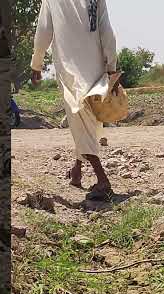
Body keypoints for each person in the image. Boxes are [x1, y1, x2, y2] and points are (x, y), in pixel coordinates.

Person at [31, 0, 117, 200]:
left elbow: (44, 31)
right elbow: (107, 32)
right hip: (95, 67)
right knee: (86, 119)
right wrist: (111, 65)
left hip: (69, 69)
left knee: (79, 117)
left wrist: (36, 63)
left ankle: (102, 179)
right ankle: (77, 170)